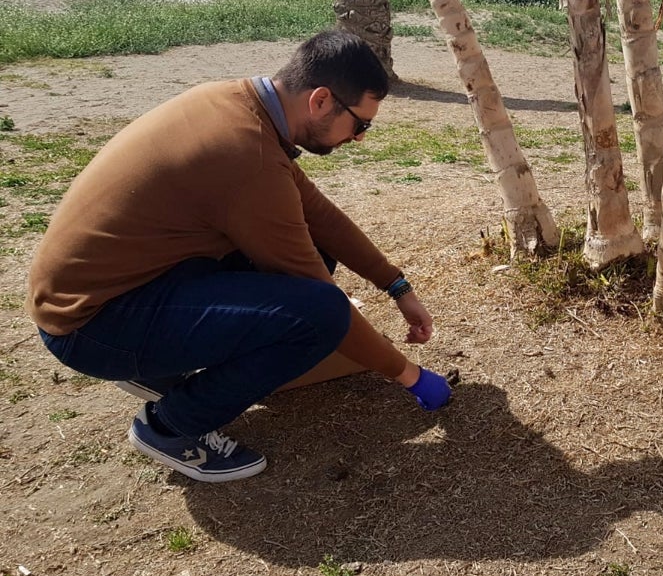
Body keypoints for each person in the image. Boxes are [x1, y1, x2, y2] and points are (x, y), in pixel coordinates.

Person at [26, 30, 452, 483]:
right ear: (322, 100)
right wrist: (410, 376)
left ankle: (162, 369)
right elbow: (324, 305)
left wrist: (396, 285)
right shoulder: (248, 158)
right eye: (360, 124)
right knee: (318, 314)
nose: (360, 138)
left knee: (315, 257)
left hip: (117, 290)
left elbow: (319, 216)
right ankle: (170, 427)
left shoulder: (235, 104)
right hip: (91, 326)